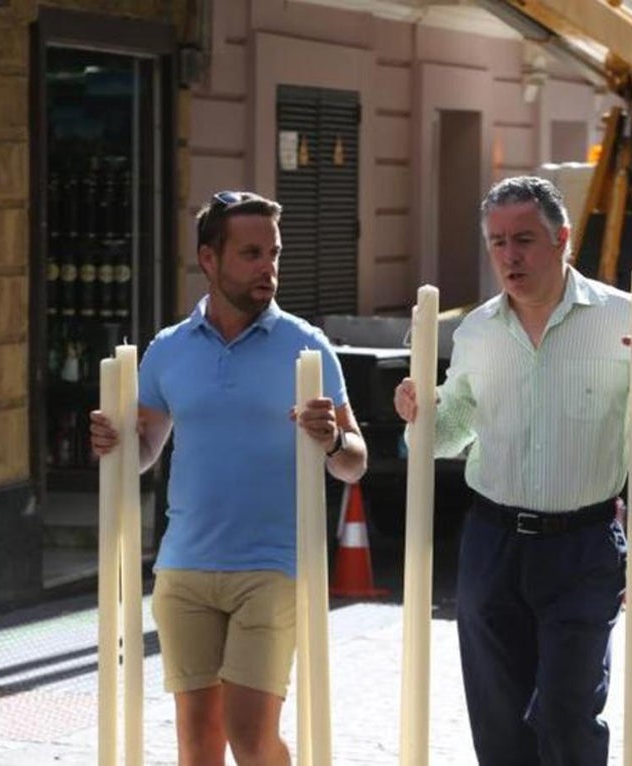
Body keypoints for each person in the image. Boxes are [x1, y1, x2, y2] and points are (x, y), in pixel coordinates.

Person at [393, 176, 632, 765]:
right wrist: (422, 415)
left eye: (525, 239)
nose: (510, 256)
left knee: (566, 718)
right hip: (492, 545)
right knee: (501, 727)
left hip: (582, 547)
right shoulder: (477, 330)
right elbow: (454, 428)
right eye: (498, 242)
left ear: (562, 238)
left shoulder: (624, 318)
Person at [89, 190, 367, 766]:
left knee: (250, 735)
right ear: (209, 259)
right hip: (184, 565)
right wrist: (113, 444)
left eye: (274, 252)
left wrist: (330, 439)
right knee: (197, 741)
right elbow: (143, 452)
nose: (268, 267)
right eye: (251, 253)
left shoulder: (306, 346)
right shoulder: (168, 350)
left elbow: (354, 460)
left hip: (272, 566)